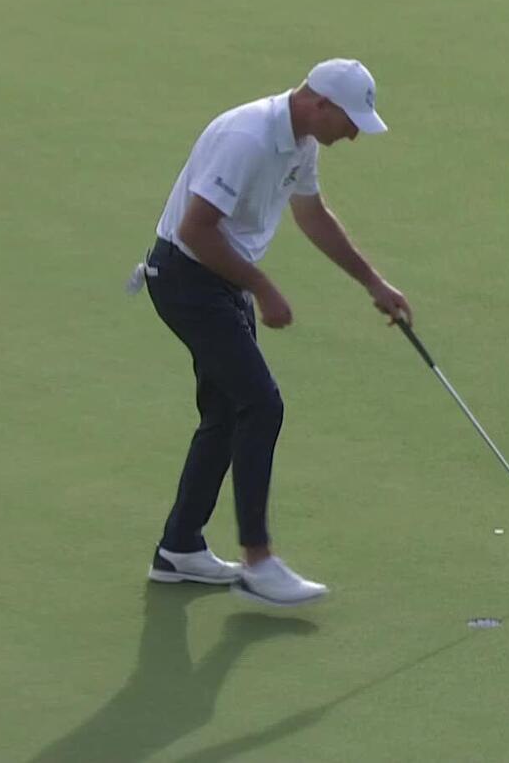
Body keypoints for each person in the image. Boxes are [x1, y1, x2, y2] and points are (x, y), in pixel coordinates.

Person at [125, 58, 411, 606]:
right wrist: (262, 287)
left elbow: (312, 215)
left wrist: (372, 282)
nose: (352, 133)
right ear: (318, 102)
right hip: (187, 278)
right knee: (261, 404)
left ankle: (179, 547)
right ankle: (258, 562)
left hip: (220, 281)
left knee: (227, 411)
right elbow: (196, 229)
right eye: (348, 120)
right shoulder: (249, 137)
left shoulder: (301, 140)